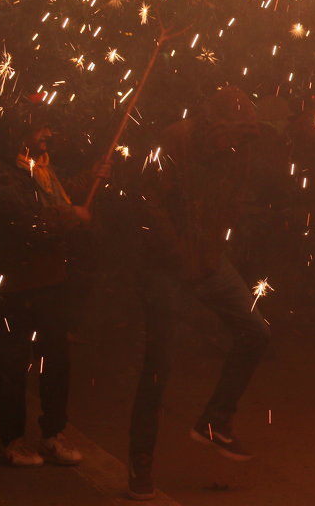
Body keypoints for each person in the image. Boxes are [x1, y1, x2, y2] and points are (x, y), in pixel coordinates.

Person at [127, 88, 283, 500]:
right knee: (159, 364)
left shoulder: (238, 147)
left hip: (207, 258)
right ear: (211, 125)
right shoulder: (173, 140)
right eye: (228, 134)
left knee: (256, 332)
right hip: (164, 263)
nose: (234, 143)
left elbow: (229, 203)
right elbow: (149, 205)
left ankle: (214, 422)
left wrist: (212, 249)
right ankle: (140, 465)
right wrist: (181, 254)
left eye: (240, 137)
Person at [0, 109, 104, 467]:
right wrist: (72, 217)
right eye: (40, 127)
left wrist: (91, 176)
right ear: (20, 130)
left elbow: (58, 195)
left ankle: (53, 434)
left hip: (51, 281)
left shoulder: (42, 167)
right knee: (13, 363)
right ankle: (13, 440)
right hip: (14, 286)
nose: (47, 134)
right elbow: (25, 219)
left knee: (56, 360)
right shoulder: (1, 173)